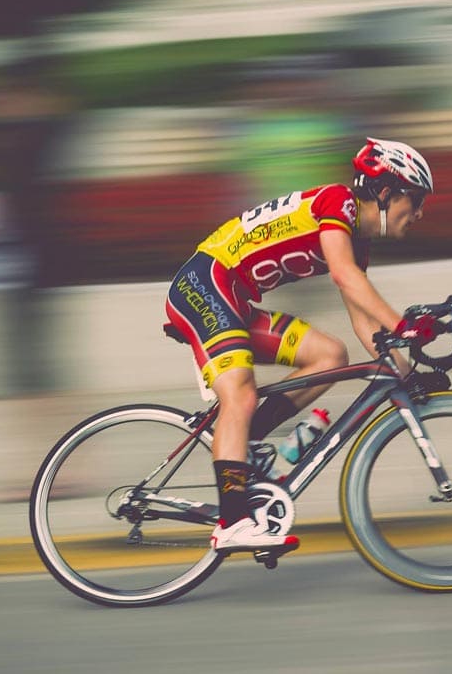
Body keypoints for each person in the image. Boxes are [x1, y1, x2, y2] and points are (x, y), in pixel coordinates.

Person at [164, 137, 436, 552]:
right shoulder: (337, 203)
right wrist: (404, 323)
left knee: (330, 355)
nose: (419, 213)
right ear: (385, 192)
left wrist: (406, 372)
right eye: (414, 200)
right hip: (206, 283)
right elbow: (345, 278)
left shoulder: (356, 240)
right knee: (239, 393)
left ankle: (245, 440)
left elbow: (363, 323)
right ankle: (233, 522)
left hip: (233, 300)